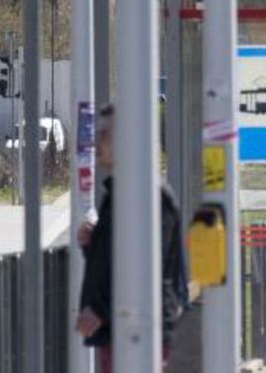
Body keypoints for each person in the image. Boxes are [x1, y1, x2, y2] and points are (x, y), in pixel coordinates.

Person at [76, 104, 188, 372]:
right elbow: (120, 258)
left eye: (106, 134)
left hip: (137, 330)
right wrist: (92, 247)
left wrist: (100, 309)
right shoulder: (119, 193)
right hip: (119, 327)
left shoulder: (150, 195)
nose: (97, 140)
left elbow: (148, 265)